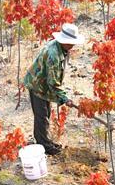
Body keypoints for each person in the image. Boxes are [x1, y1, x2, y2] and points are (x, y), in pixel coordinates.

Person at [22, 22, 85, 156]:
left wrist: (63, 97)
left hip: (43, 84)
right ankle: (43, 145)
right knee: (41, 116)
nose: (73, 45)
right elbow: (53, 84)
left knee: (45, 115)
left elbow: (53, 81)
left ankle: (45, 140)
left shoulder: (61, 48)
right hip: (37, 85)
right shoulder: (54, 56)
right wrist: (65, 98)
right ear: (65, 41)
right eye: (71, 42)